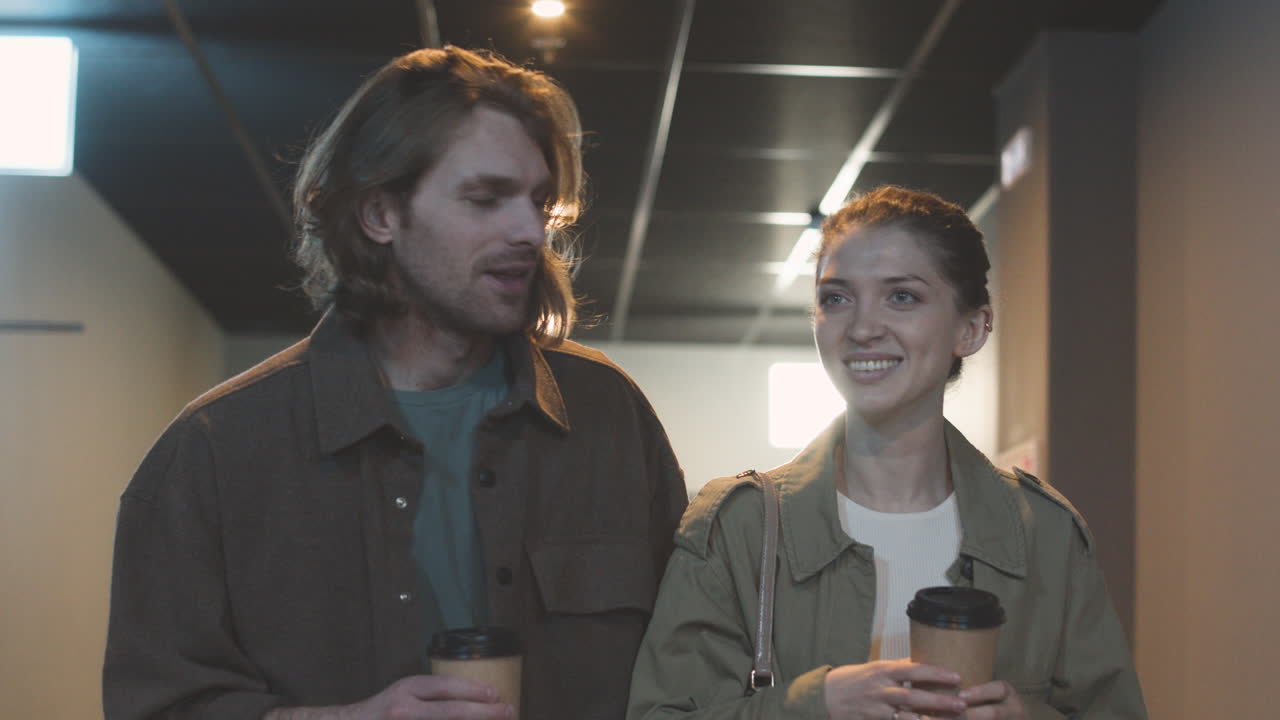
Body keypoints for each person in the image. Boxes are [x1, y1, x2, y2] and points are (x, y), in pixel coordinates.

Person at [103, 46, 688, 720]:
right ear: (379, 214)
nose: (530, 231)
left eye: (538, 201)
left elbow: (690, 675)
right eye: (486, 198)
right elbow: (156, 706)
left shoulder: (608, 416)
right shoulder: (215, 451)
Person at [627, 186, 1147, 720]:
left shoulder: (1045, 534)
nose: (862, 328)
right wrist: (815, 706)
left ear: (970, 329)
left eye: (902, 296)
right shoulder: (739, 526)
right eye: (836, 298)